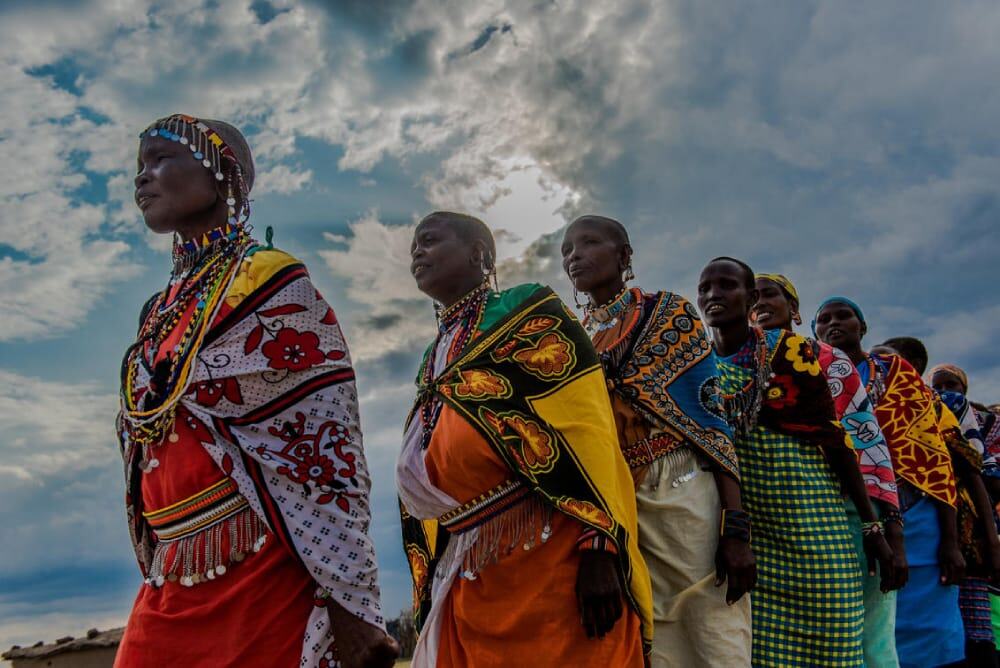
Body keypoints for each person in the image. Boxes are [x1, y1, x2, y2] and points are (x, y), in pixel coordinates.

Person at [115, 115, 397, 668]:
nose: (142, 178)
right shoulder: (158, 311)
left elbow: (326, 452)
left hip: (260, 570)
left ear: (223, 173)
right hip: (172, 571)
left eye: (160, 159)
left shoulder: (270, 283)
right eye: (138, 167)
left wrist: (350, 602)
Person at [396, 212, 652, 667]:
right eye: (414, 245)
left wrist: (600, 545)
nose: (417, 252)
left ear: (479, 254)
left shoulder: (527, 308)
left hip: (552, 554)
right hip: (470, 564)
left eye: (430, 240)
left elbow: (586, 427)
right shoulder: (434, 354)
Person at [561, 216, 753, 667]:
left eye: (589, 243)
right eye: (567, 249)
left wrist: (736, 527)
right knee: (655, 636)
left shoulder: (667, 313)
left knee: (713, 627)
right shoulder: (572, 339)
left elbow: (711, 423)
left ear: (625, 256)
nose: (575, 256)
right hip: (618, 499)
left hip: (683, 488)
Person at [697, 258, 892, 667]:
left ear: (749, 299)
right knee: (766, 655)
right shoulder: (698, 364)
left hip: (817, 530)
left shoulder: (789, 350)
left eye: (727, 285)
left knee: (834, 651)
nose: (714, 295)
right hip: (756, 541)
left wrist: (872, 525)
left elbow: (835, 440)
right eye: (705, 288)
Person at [753, 274, 905, 667]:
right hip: (771, 518)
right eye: (751, 294)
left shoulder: (826, 360)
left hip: (849, 512)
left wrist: (884, 525)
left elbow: (866, 442)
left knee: (866, 634)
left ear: (795, 310)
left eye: (770, 293)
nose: (758, 301)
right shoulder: (735, 361)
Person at [814, 298, 966, 668]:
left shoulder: (896, 373)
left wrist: (951, 539)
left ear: (862, 327)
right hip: (848, 515)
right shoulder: (811, 376)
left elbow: (933, 455)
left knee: (933, 632)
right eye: (824, 320)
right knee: (868, 631)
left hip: (918, 516)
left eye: (843, 316)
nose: (833, 324)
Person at [930, 364, 1000, 667]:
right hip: (936, 529)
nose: (945, 391)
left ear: (964, 388)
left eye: (952, 385)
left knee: (978, 623)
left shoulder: (984, 423)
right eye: (938, 385)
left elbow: (986, 474)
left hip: (975, 529)